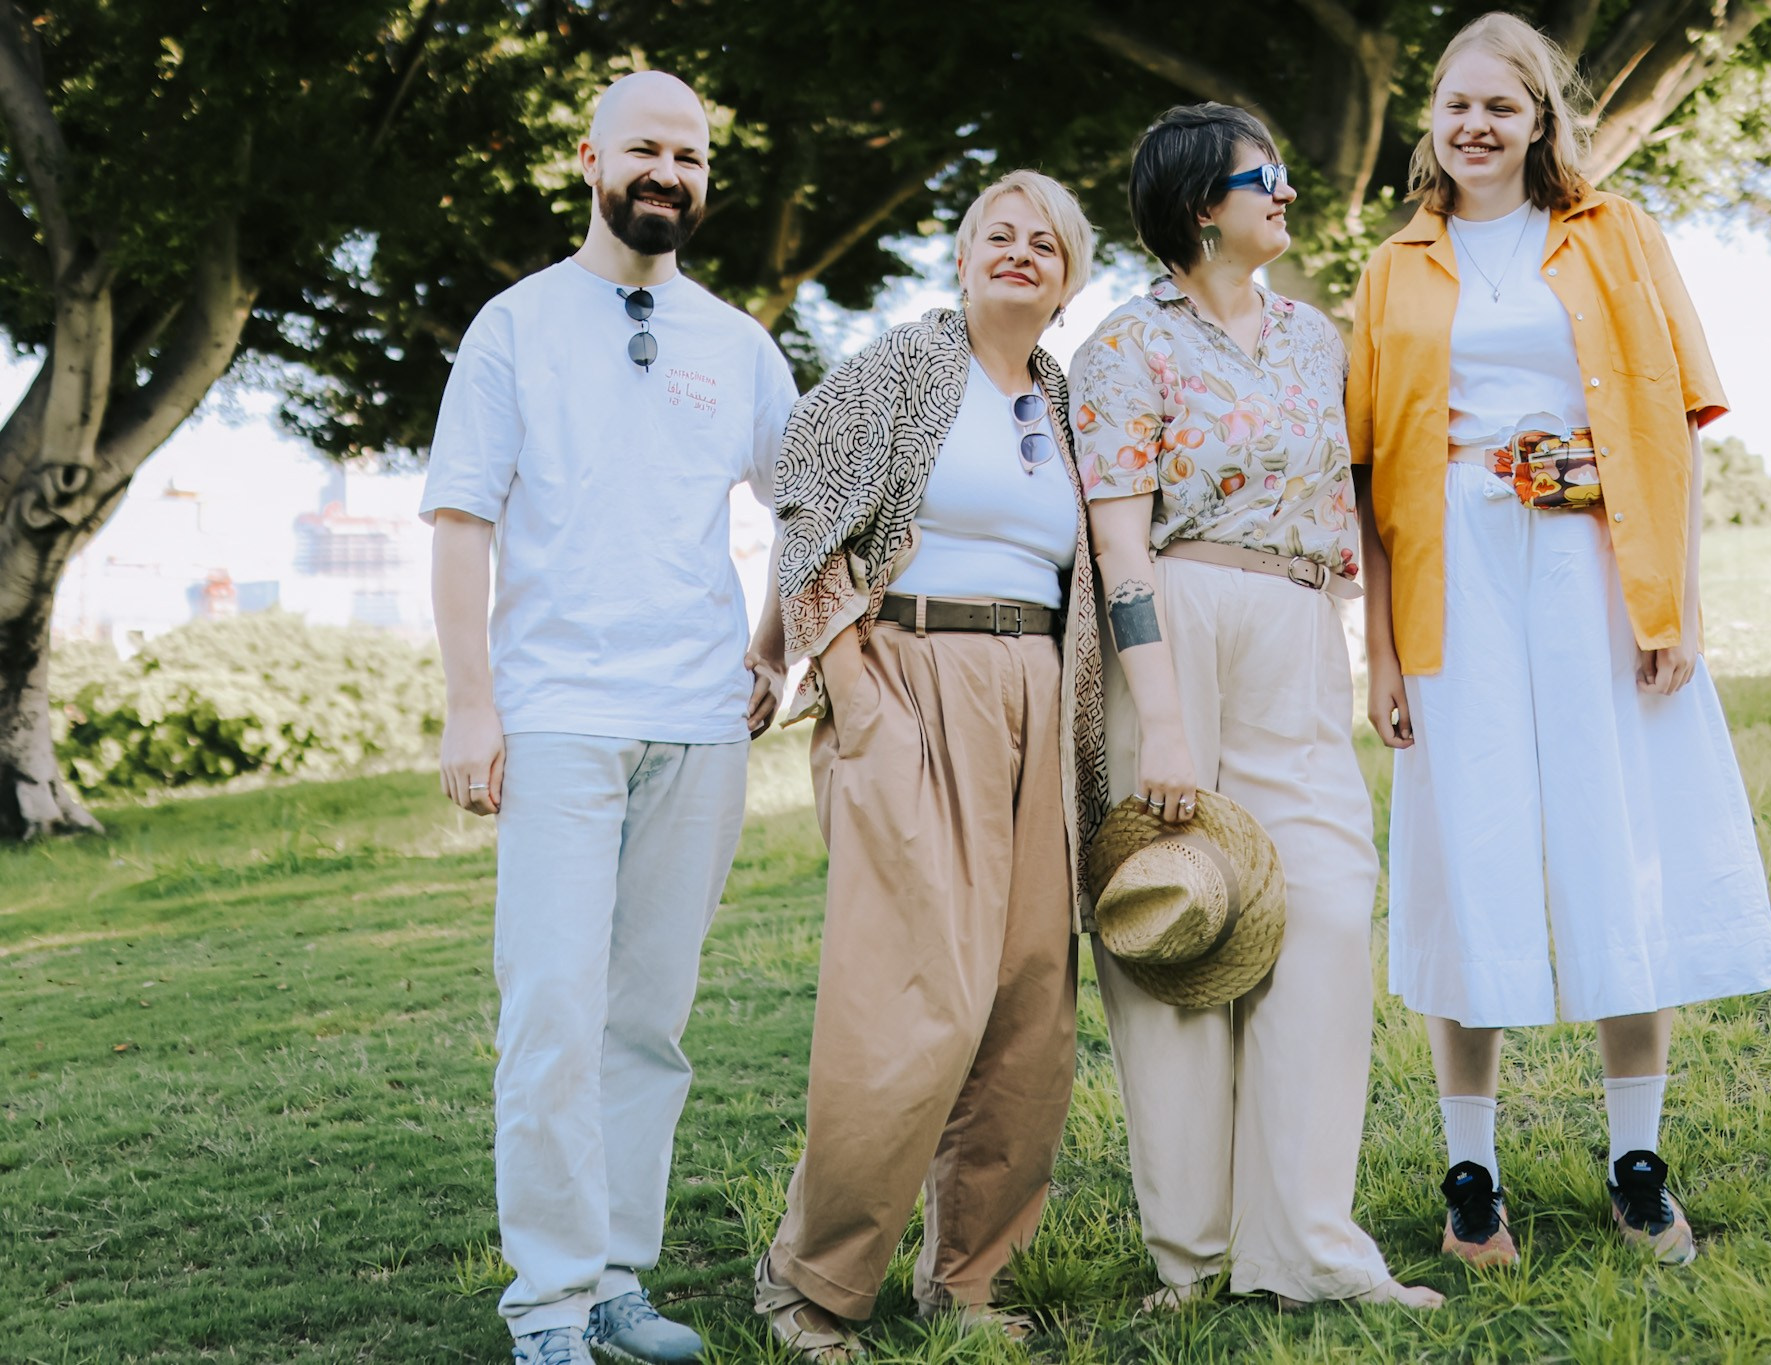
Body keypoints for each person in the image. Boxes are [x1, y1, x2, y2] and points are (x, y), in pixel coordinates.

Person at [1346, 12, 1771, 1270]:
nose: (1474, 124)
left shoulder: (1613, 235)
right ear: (1427, 122)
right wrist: (1378, 658)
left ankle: (1635, 1168)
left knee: (1615, 842)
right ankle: (1468, 1176)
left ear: (1540, 120)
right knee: (1463, 850)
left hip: (1595, 574)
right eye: (1453, 105)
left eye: (1501, 105)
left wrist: (1674, 606)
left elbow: (1672, 428)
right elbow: (1372, 484)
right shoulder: (1393, 271)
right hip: (1454, 587)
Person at [423, 72, 797, 1365]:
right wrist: (473, 707)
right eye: (647, 147)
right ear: (590, 158)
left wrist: (769, 648)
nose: (670, 172)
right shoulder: (516, 327)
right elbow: (462, 517)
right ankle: (546, 1302)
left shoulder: (735, 344)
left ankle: (614, 1279)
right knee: (550, 1013)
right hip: (559, 717)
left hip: (699, 720)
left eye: (690, 155)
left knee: (649, 1019)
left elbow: (804, 504)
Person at [1071, 103, 1443, 1314]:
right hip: (1172, 621)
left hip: (1295, 628)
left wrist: (1373, 651)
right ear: (1198, 206)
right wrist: (1162, 719)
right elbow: (1117, 549)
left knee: (1328, 910)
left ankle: (1308, 1248)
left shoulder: (1312, 338)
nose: (1286, 193)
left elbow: (1360, 511)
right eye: (1261, 176)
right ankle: (1195, 1257)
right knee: (1168, 918)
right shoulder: (1122, 347)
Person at [753, 170, 1109, 1361]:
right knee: (910, 999)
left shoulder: (1064, 400)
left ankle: (968, 1279)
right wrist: (851, 683)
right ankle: (811, 1284)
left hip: (1039, 692)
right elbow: (802, 504)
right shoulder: (902, 369)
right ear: (960, 260)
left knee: (1026, 1004)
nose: (1019, 252)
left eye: (1043, 242)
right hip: (909, 671)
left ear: (1068, 276)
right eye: (996, 236)